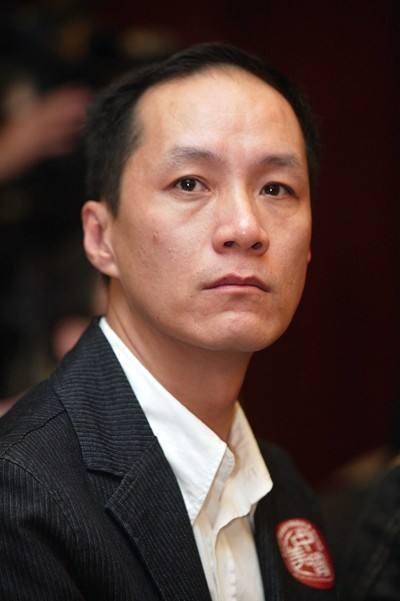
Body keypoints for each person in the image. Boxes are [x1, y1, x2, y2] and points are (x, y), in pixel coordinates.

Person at [0, 43, 336, 600]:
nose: (245, 227)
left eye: (276, 188)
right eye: (190, 183)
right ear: (100, 237)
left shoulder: (283, 487)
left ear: (309, 246)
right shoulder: (21, 491)